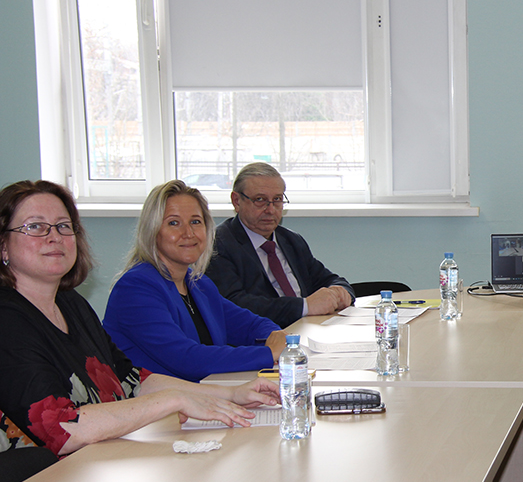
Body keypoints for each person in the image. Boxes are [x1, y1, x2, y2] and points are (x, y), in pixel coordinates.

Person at [0, 180, 279, 457]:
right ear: (3, 245)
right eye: (35, 226)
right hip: (42, 477)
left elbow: (132, 379)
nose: (54, 237)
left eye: (63, 226)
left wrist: (231, 394)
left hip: (101, 457)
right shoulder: (7, 320)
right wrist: (174, 400)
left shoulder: (71, 303)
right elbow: (60, 429)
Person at [104, 181, 287, 382]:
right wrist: (268, 353)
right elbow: (187, 360)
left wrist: (276, 336)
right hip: (156, 400)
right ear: (152, 231)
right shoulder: (135, 289)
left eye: (195, 222)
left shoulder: (198, 284)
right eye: (174, 223)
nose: (188, 233)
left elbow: (251, 325)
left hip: (200, 392)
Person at [206, 163, 354, 326]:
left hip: (310, 330)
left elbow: (330, 279)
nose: (270, 210)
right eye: (260, 200)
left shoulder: (291, 240)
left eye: (277, 199)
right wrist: (305, 306)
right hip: (264, 336)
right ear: (236, 201)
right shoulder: (218, 245)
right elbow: (234, 305)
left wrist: (340, 292)